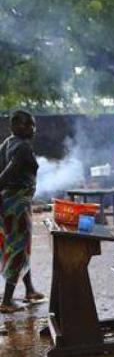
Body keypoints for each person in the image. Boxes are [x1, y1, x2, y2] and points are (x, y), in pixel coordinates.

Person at [0, 110, 44, 313]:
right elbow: (11, 169)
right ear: (14, 126)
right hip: (17, 204)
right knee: (18, 248)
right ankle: (7, 301)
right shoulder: (23, 146)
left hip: (9, 202)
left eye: (33, 125)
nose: (32, 129)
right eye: (27, 124)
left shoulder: (8, 142)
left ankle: (30, 290)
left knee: (20, 246)